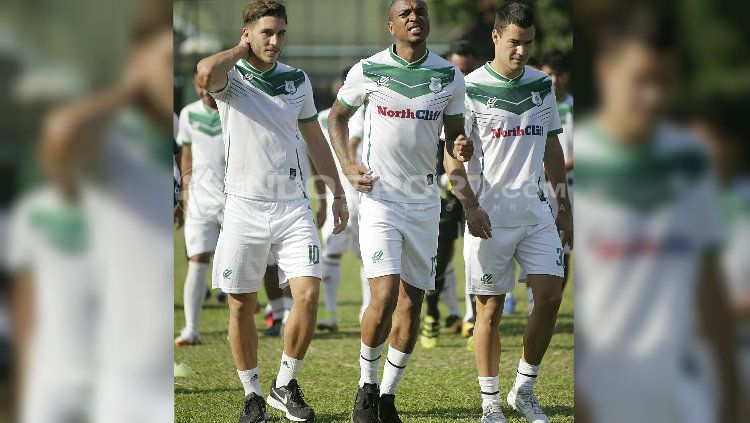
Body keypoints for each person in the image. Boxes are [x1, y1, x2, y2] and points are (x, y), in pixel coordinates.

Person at [575, 3, 740, 422]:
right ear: (607, 69)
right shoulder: (583, 163)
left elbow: (708, 283)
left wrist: (732, 389)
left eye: (665, 82)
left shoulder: (689, 160)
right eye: (642, 81)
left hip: (683, 398)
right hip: (601, 398)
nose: (654, 97)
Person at [327, 1, 482, 421]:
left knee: (412, 303)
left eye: (421, 10)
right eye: (406, 12)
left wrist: (461, 149)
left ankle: (388, 397)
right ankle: (365, 385)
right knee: (382, 295)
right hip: (380, 200)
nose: (415, 17)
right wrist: (347, 165)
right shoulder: (368, 69)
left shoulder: (449, 76)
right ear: (391, 23)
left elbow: (454, 142)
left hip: (425, 203)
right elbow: (336, 119)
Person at [196, 1, 348, 421]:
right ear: (248, 34)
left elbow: (315, 139)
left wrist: (335, 192)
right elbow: (205, 73)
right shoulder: (230, 78)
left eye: (281, 33)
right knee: (241, 304)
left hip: (293, 206)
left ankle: (284, 383)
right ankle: (252, 395)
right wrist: (240, 52)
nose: (276, 41)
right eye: (267, 33)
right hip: (242, 208)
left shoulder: (297, 80)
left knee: (308, 292)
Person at [449, 3, 573, 422]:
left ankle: (525, 388)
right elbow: (454, 152)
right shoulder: (468, 87)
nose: (521, 51)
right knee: (490, 311)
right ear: (496, 38)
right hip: (489, 214)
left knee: (551, 296)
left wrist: (564, 205)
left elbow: (552, 145)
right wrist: (469, 199)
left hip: (537, 211)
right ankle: (490, 405)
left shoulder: (542, 85)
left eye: (528, 43)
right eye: (515, 42)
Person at [421, 40, 477, 349]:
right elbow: (431, 145)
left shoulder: (481, 97)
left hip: (475, 190)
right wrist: (442, 177)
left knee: (475, 257)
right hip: (443, 190)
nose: (464, 77)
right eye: (459, 70)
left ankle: (472, 320)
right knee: (440, 259)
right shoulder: (438, 96)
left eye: (468, 70)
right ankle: (431, 314)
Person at [174, 64, 226, 346]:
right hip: (200, 201)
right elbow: (187, 157)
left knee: (238, 265)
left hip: (235, 200)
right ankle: (191, 329)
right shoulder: (188, 114)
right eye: (200, 86)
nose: (205, 91)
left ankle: (265, 314)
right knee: (197, 261)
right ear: (195, 86)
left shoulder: (235, 111)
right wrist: (185, 194)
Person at [316, 67, 364, 331]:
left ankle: (365, 313)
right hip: (335, 193)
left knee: (367, 256)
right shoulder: (322, 118)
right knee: (331, 254)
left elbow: (354, 146)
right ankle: (331, 313)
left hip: (362, 196)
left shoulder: (364, 113)